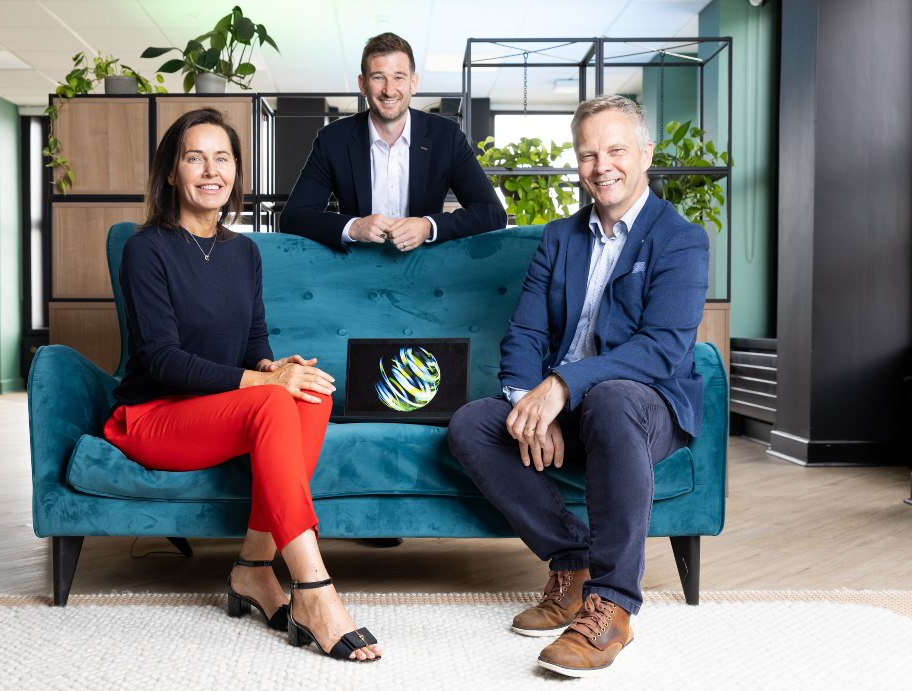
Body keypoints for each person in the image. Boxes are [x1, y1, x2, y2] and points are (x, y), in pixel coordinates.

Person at [103, 107, 381, 662]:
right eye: (195, 157)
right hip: (154, 416)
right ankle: (314, 590)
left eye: (222, 158)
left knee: (310, 393)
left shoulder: (244, 251)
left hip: (221, 409)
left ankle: (253, 569)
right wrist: (263, 379)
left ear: (235, 171)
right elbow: (159, 359)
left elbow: (254, 338)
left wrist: (277, 366)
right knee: (274, 400)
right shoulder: (145, 248)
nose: (211, 170)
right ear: (171, 174)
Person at [447, 95, 709, 678]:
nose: (601, 166)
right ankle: (574, 564)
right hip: (565, 404)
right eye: (588, 154)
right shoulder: (560, 238)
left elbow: (661, 348)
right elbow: (524, 333)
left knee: (613, 400)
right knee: (471, 425)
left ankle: (612, 605)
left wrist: (563, 384)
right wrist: (527, 404)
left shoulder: (680, 239)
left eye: (615, 150)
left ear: (645, 153)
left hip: (644, 403)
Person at [279, 32, 506, 252]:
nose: (389, 90)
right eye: (378, 77)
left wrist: (428, 226)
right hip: (358, 266)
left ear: (413, 83)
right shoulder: (332, 140)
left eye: (399, 77)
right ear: (363, 84)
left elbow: (492, 213)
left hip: (424, 267)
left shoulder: (446, 137)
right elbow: (294, 218)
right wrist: (354, 227)